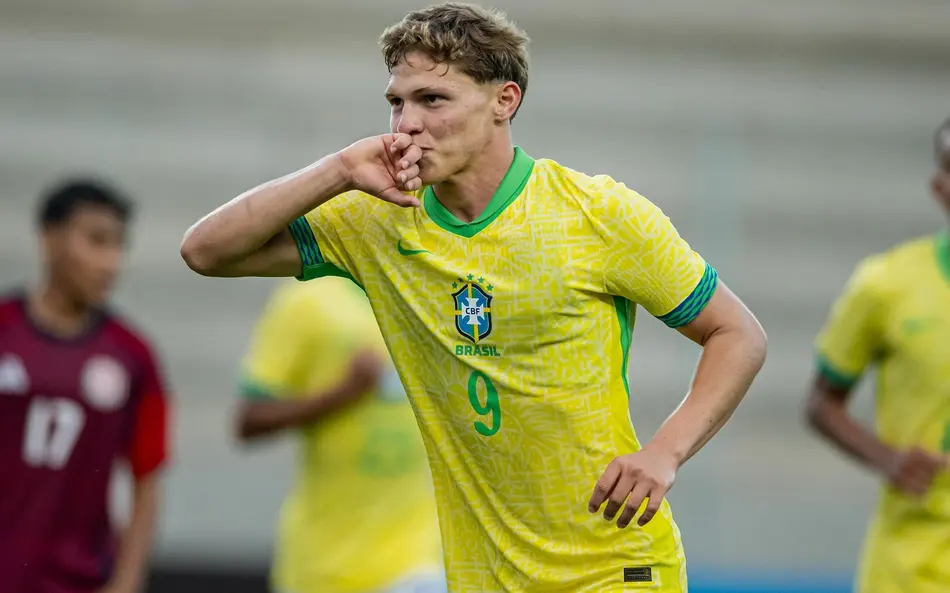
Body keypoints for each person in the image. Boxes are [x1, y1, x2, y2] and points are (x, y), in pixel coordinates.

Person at [180, 3, 767, 590]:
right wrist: (337, 169)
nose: (406, 122)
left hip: (612, 566)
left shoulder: (596, 214)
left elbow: (737, 334)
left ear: (503, 102)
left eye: (432, 100)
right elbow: (206, 252)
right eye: (396, 102)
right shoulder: (378, 220)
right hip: (479, 577)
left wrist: (665, 451)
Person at [0, 179, 171, 593]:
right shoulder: (5, 329)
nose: (112, 262)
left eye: (118, 246)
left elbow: (147, 478)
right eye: (96, 241)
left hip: (78, 578)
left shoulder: (134, 356)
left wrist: (127, 580)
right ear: (49, 239)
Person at [806, 117, 950, 593]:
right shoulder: (886, 285)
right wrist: (888, 460)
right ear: (940, 187)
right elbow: (821, 403)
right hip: (910, 569)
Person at [233, 276, 444, 593]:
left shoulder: (429, 291)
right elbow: (249, 420)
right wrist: (342, 394)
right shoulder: (306, 301)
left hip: (415, 555)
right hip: (325, 567)